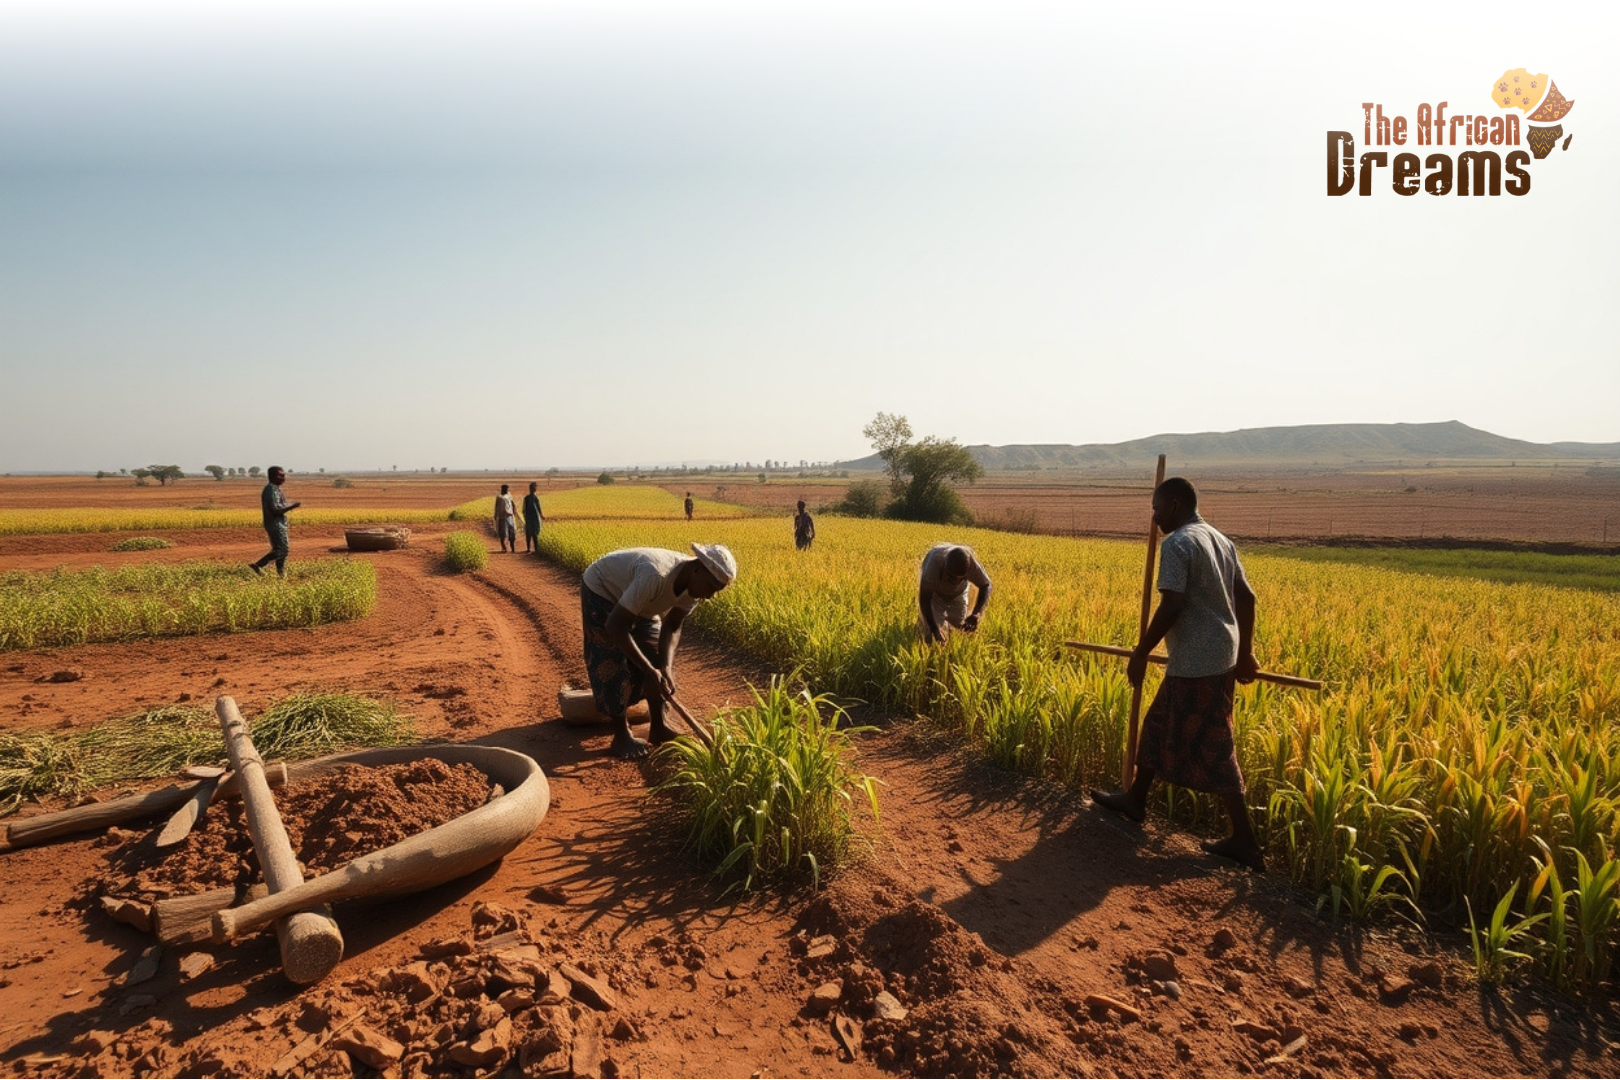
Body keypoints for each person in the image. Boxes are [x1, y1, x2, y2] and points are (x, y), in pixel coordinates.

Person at [1091, 477, 1264, 871]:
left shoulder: (1179, 543)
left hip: (1200, 659)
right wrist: (1245, 652)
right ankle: (1136, 799)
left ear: (1173, 505)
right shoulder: (1219, 539)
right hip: (1215, 653)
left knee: (1217, 744)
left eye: (1154, 509)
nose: (1153, 518)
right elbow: (1247, 598)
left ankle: (1245, 841)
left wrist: (1140, 652)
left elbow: (1172, 605)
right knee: (1159, 723)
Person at [580, 543, 737, 759]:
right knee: (610, 659)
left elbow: (672, 626)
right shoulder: (655, 574)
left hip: (640, 601)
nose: (709, 596)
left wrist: (665, 667)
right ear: (698, 568)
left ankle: (658, 726)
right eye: (711, 587)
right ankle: (621, 734)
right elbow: (616, 625)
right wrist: (646, 669)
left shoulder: (694, 589)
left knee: (657, 665)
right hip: (603, 590)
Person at [917, 543, 991, 643]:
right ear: (944, 567)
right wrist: (935, 630)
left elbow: (986, 585)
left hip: (958, 595)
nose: (955, 582)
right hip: (935, 595)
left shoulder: (971, 564)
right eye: (951, 578)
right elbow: (925, 600)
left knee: (961, 631)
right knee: (930, 635)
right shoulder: (933, 565)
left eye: (960, 578)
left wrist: (976, 613)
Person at [250, 466, 300, 578]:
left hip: (279, 524)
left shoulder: (277, 489)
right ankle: (258, 565)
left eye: (283, 475)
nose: (283, 478)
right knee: (282, 550)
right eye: (280, 475)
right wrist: (293, 506)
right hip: (275, 525)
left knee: (282, 550)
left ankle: (281, 574)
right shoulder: (270, 490)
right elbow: (275, 510)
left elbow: (281, 506)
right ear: (272, 476)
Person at [494, 484, 518, 553]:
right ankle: (504, 547)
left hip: (510, 516)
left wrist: (514, 511)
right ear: (503, 489)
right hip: (502, 517)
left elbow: (513, 504)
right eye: (506, 489)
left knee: (512, 533)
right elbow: (496, 507)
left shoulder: (509, 495)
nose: (507, 490)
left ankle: (513, 549)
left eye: (508, 489)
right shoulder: (499, 497)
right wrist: (496, 516)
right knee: (503, 534)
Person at [522, 482, 544, 554]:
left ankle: (533, 549)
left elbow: (538, 507)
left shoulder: (531, 498)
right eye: (534, 488)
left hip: (532, 518)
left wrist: (541, 515)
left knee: (533, 534)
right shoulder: (530, 498)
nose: (534, 489)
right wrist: (541, 515)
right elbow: (538, 507)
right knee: (531, 534)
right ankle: (532, 549)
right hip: (532, 518)